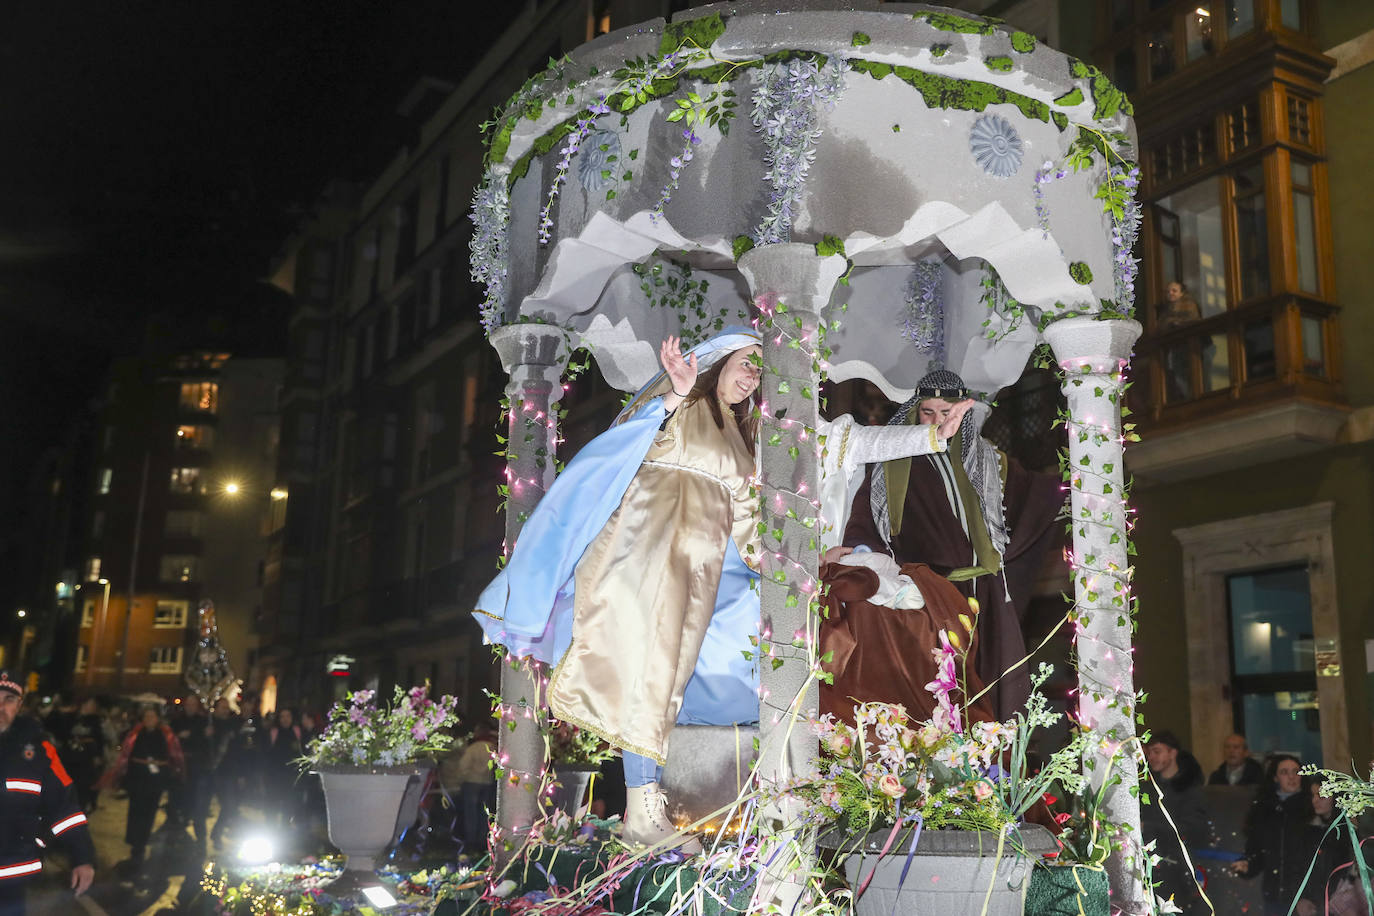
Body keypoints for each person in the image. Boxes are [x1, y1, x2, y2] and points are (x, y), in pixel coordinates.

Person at [475, 329, 763, 851]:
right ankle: (641, 807)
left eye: (758, 372)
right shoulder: (676, 403)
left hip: (698, 575)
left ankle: (655, 803)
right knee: (648, 674)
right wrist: (676, 391)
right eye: (745, 364)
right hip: (648, 554)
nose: (750, 378)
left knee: (671, 677)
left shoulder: (740, 436)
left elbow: (745, 517)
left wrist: (774, 567)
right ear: (718, 362)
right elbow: (630, 438)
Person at [842, 369, 1062, 719]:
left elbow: (1032, 496)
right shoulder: (892, 464)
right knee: (942, 694)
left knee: (993, 690)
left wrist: (1075, 488)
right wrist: (862, 551)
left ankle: (994, 768)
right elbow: (865, 519)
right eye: (928, 413)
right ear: (915, 413)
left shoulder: (990, 460)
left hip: (986, 594)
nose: (937, 421)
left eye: (946, 413)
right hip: (931, 596)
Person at [0, 671, 95, 916]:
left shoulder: (40, 751)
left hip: (11, 874)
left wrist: (82, 857)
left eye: (9, 699)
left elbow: (64, 807)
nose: (1, 706)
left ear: (19, 705)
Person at [1231, 755, 1328, 916]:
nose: (1291, 777)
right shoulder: (1264, 809)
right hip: (1274, 894)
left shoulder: (1313, 807)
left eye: (1296, 771)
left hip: (1306, 896)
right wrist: (1248, 864)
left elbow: (1321, 859)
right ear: (1275, 778)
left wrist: (1309, 895)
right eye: (1284, 772)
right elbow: (1257, 851)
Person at [1141, 731, 1210, 914]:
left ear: (1172, 753)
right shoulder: (1148, 788)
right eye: (1149, 753)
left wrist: (1148, 827)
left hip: (1179, 869)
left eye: (1157, 752)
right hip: (1152, 865)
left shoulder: (1189, 789)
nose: (1152, 757)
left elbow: (1193, 828)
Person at [107, 706, 184, 866]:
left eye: (152, 716)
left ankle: (141, 843)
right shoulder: (135, 734)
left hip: (155, 781)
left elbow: (173, 756)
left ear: (157, 718)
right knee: (135, 811)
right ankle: (135, 843)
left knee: (149, 812)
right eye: (146, 716)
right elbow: (126, 755)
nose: (149, 719)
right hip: (137, 778)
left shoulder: (166, 735)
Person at [169, 695, 215, 847]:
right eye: (188, 704)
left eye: (193, 705)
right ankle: (178, 831)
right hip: (180, 764)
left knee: (195, 802)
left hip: (196, 766)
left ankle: (199, 838)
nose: (190, 707)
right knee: (178, 798)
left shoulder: (202, 721)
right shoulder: (177, 720)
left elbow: (204, 743)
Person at [445, 725, 496, 856]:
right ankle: (482, 840)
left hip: (471, 782)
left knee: (470, 812)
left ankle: (470, 841)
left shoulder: (473, 748)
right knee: (484, 813)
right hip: (487, 783)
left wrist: (460, 777)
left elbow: (463, 765)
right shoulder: (492, 747)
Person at [207, 697, 243, 847]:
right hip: (209, 770)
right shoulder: (208, 723)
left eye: (227, 708)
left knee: (229, 805)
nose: (225, 710)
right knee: (202, 807)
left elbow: (236, 750)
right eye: (222, 707)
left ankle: (217, 832)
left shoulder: (232, 724)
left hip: (227, 772)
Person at [261, 708, 304, 830]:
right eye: (282, 716)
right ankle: (271, 831)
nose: (285, 719)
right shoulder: (273, 733)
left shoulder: (296, 732)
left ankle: (284, 832)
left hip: (291, 778)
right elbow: (266, 754)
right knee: (271, 808)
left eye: (288, 716)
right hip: (274, 778)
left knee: (288, 807)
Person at [64, 698, 107, 812]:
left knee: (82, 789)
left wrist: (98, 756)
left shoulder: (95, 721)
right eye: (89, 704)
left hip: (86, 760)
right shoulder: (72, 718)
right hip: (70, 758)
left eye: (93, 705)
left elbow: (100, 740)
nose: (90, 707)